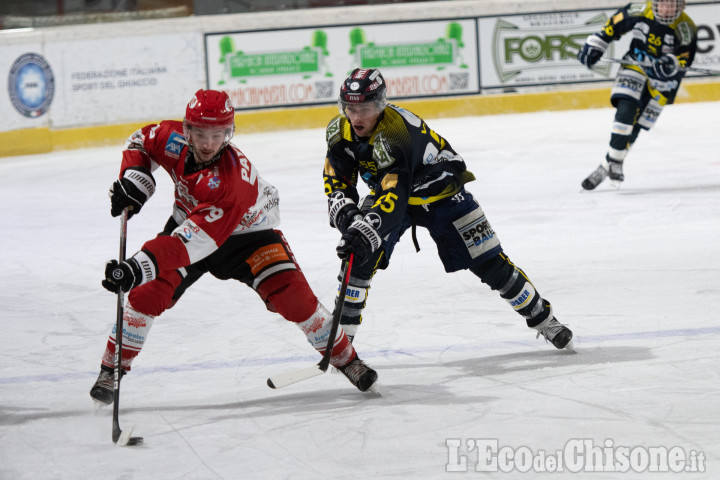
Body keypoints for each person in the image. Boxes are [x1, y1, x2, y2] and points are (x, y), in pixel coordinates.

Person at [90, 89, 378, 404]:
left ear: (230, 133)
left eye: (218, 134)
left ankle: (348, 361)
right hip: (189, 225)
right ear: (187, 129)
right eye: (200, 133)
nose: (207, 143)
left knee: (296, 301)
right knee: (147, 294)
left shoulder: (231, 183)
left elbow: (193, 243)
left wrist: (137, 266)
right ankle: (112, 369)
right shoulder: (170, 139)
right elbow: (140, 141)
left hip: (247, 240)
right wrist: (136, 179)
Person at [322, 68, 573, 352]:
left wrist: (366, 228)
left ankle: (545, 320)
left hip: (441, 192)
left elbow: (395, 196)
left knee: (489, 263)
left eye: (364, 108)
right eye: (350, 108)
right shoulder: (338, 131)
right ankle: (341, 343)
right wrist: (349, 217)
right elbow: (338, 181)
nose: (356, 117)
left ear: (379, 105)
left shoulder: (394, 134)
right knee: (358, 257)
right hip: (394, 193)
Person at [577, 0, 697, 190]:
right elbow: (612, 26)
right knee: (626, 108)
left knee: (637, 125)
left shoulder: (686, 27)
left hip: (662, 80)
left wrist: (670, 63)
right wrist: (597, 43)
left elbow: (685, 58)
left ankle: (608, 164)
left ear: (680, 5)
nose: (666, 9)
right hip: (635, 64)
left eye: (671, 4)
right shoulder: (638, 10)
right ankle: (616, 162)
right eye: (662, 3)